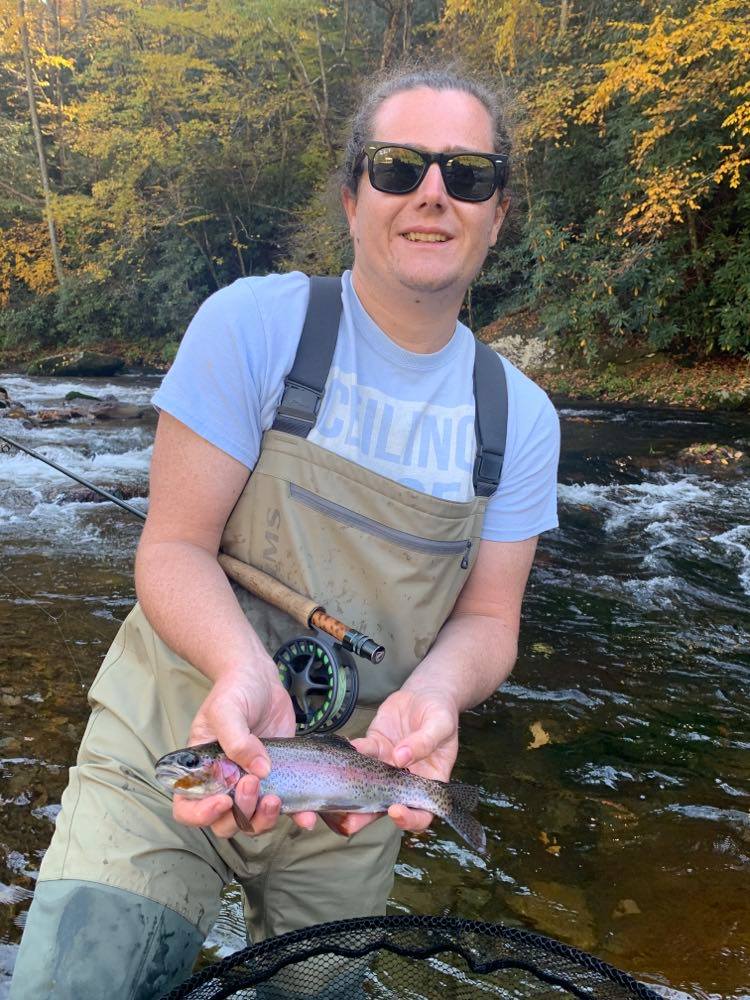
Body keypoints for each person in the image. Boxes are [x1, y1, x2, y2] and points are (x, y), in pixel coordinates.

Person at [10, 66, 560, 998]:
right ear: (353, 199)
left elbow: (490, 620)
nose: (433, 192)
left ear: (496, 213)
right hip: (169, 745)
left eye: (467, 174)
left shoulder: (522, 420)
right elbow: (173, 547)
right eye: (399, 167)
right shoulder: (255, 326)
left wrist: (435, 696)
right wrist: (240, 671)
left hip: (354, 787)